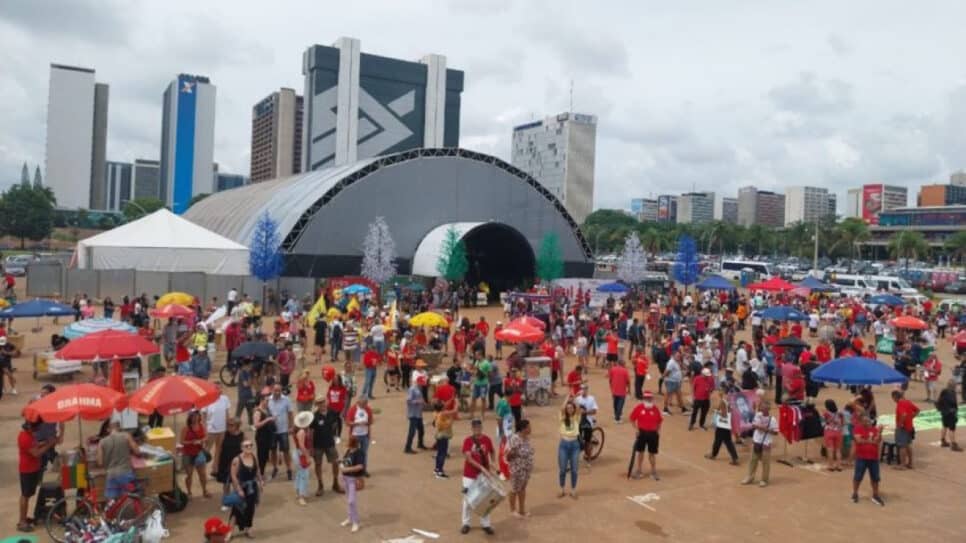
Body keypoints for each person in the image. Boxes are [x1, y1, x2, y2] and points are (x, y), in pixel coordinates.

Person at [460, 419, 496, 535]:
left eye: (479, 427)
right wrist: (482, 469)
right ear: (472, 428)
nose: (477, 429)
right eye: (475, 427)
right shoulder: (468, 441)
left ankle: (486, 524)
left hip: (483, 475)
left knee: (485, 499)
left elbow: (492, 451)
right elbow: (469, 459)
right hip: (470, 475)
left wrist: (492, 462)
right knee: (468, 500)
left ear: (481, 427)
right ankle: (466, 523)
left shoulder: (487, 439)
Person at [229, 437, 264, 538]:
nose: (249, 447)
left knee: (250, 509)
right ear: (242, 448)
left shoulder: (254, 457)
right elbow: (233, 476)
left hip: (252, 488)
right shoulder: (236, 460)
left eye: (250, 445)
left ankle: (248, 529)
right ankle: (229, 532)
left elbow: (257, 470)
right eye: (246, 446)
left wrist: (260, 481)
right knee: (236, 510)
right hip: (241, 487)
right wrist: (239, 489)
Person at [311, 395, 344, 495]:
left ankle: (335, 483)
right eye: (319, 403)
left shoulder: (332, 412)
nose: (322, 404)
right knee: (318, 464)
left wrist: (337, 435)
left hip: (330, 443)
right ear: (317, 405)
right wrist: (311, 447)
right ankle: (320, 485)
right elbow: (311, 432)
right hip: (318, 445)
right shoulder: (314, 416)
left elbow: (338, 422)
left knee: (335, 462)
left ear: (326, 402)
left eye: (323, 402)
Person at [851, 409, 885, 506]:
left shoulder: (875, 430)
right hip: (861, 457)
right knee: (858, 477)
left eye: (868, 421)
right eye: (864, 421)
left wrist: (880, 432)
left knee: (875, 478)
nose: (867, 422)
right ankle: (855, 493)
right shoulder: (857, 429)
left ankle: (875, 495)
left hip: (873, 458)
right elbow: (858, 441)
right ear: (861, 421)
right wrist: (870, 440)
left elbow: (877, 441)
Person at [741, 400, 778, 487]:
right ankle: (750, 477)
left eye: (763, 407)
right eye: (761, 407)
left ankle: (764, 480)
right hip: (756, 442)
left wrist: (766, 429)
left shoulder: (772, 419)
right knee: (753, 461)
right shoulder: (758, 415)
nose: (761, 408)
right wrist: (760, 427)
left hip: (766, 443)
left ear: (767, 409)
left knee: (765, 463)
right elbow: (754, 425)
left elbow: (776, 432)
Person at [629, 390, 663, 480]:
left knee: (652, 453)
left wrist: (658, 431)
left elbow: (659, 421)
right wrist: (636, 429)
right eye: (647, 398)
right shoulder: (639, 408)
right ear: (644, 399)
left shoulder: (655, 409)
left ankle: (653, 471)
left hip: (653, 434)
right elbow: (632, 419)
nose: (648, 400)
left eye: (650, 398)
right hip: (642, 433)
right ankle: (639, 471)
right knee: (640, 452)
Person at [506, 418, 534, 519]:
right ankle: (512, 510)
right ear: (523, 429)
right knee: (514, 489)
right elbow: (508, 455)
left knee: (522, 489)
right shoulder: (515, 438)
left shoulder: (527, 438)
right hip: (517, 469)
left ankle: (522, 510)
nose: (530, 429)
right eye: (529, 427)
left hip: (526, 469)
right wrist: (513, 453)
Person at [267, 384, 294, 480]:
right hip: (272, 431)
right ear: (272, 390)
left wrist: (291, 426)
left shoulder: (286, 399)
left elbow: (290, 413)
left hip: (283, 430)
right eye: (275, 390)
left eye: (279, 390)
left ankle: (289, 469)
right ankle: (275, 467)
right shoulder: (268, 400)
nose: (277, 392)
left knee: (286, 450)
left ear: (281, 391)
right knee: (273, 450)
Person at [339, 435, 366, 533]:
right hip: (345, 478)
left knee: (351, 501)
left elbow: (360, 466)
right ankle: (350, 518)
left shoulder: (359, 453)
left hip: (352, 479)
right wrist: (341, 464)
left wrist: (346, 469)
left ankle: (355, 522)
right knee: (349, 500)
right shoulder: (349, 451)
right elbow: (345, 461)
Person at [705, 388, 739, 464]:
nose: (718, 392)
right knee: (726, 441)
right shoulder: (728, 401)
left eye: (720, 390)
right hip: (726, 424)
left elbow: (724, 414)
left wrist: (716, 411)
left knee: (719, 440)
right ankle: (734, 458)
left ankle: (713, 455)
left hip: (722, 424)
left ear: (723, 392)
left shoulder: (723, 402)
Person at [205, 383, 231, 479]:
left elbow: (227, 414)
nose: (219, 390)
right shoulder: (207, 399)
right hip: (210, 429)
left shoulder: (225, 399)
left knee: (219, 449)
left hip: (222, 429)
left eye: (220, 388)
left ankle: (215, 470)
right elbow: (203, 416)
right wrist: (205, 430)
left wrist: (228, 426)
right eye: (217, 388)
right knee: (206, 451)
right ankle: (205, 471)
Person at [182, 410, 211, 497]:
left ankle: (205, 490)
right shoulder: (185, 428)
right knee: (189, 475)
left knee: (202, 474)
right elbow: (182, 441)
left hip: (199, 453)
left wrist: (201, 441)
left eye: (196, 415)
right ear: (189, 417)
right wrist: (192, 442)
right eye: (193, 416)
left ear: (199, 416)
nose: (195, 417)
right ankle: (189, 492)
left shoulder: (202, 426)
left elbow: (206, 437)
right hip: (188, 454)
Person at [557, 396, 581, 498]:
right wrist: (567, 398)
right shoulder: (562, 417)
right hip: (564, 444)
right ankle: (562, 489)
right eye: (568, 408)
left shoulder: (576, 417)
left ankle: (573, 490)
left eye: (571, 408)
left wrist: (574, 399)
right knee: (562, 469)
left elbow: (578, 409)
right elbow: (562, 408)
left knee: (574, 469)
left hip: (575, 445)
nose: (569, 409)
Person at [216, 418, 243, 508]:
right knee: (226, 483)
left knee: (237, 483)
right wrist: (215, 463)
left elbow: (246, 450)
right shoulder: (224, 435)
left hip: (237, 463)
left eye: (231, 425)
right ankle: (226, 502)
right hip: (225, 462)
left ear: (237, 426)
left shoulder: (242, 436)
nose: (229, 427)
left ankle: (238, 501)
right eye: (228, 425)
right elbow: (218, 449)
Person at [891, 390, 919, 469]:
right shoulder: (908, 402)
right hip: (909, 427)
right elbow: (917, 410)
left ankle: (902, 465)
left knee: (902, 446)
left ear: (895, 397)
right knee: (908, 445)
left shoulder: (900, 404)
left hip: (903, 428)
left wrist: (900, 424)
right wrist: (911, 417)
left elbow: (903, 414)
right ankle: (910, 463)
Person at [346, 397, 374, 475]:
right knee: (352, 453)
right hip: (355, 435)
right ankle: (352, 470)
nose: (365, 406)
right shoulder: (352, 409)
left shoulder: (368, 409)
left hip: (365, 435)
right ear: (358, 403)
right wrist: (357, 423)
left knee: (364, 453)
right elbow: (347, 422)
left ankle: (363, 470)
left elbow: (371, 421)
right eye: (363, 404)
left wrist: (366, 423)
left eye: (365, 404)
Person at [292, 411, 313, 505]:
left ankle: (299, 492)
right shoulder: (302, 432)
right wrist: (307, 456)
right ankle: (301, 496)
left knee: (300, 474)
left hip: (299, 453)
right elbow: (302, 445)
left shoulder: (299, 430)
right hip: (301, 454)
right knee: (304, 475)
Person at [252, 395, 276, 478]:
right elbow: (256, 425)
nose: (268, 402)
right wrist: (268, 419)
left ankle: (262, 473)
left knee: (265, 456)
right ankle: (260, 474)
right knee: (261, 456)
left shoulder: (266, 410)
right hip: (261, 436)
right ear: (261, 400)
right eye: (266, 400)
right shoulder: (258, 411)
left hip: (267, 435)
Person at [936, 379, 962, 451]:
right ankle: (953, 445)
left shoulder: (944, 391)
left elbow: (939, 400)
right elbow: (954, 404)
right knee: (952, 429)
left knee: (944, 426)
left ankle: (943, 441)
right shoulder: (952, 393)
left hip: (944, 412)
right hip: (950, 414)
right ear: (953, 386)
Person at [405, 375, 428, 453]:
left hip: (418, 413)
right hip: (413, 414)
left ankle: (420, 444)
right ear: (418, 382)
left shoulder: (419, 388)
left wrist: (423, 402)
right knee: (412, 431)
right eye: (422, 383)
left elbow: (420, 398)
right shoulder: (412, 389)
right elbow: (408, 401)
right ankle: (407, 448)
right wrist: (418, 401)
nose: (423, 384)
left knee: (421, 430)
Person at [433, 400, 456, 478]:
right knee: (443, 454)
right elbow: (454, 411)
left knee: (439, 453)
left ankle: (437, 469)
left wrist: (452, 399)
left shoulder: (436, 413)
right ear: (442, 408)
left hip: (439, 436)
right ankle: (440, 472)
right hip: (443, 436)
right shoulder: (442, 414)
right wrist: (456, 403)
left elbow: (445, 405)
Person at [822, 399, 845, 471]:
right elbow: (843, 423)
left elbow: (823, 424)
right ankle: (839, 466)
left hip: (829, 432)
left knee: (830, 450)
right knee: (838, 450)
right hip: (838, 432)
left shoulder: (825, 413)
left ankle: (830, 466)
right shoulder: (840, 413)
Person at [608, 359, 631, 423]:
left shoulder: (613, 369)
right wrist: (629, 390)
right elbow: (628, 381)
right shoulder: (625, 371)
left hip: (614, 389)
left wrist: (611, 387)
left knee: (615, 403)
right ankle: (617, 418)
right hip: (622, 391)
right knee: (620, 405)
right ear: (623, 364)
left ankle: (616, 414)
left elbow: (610, 380)